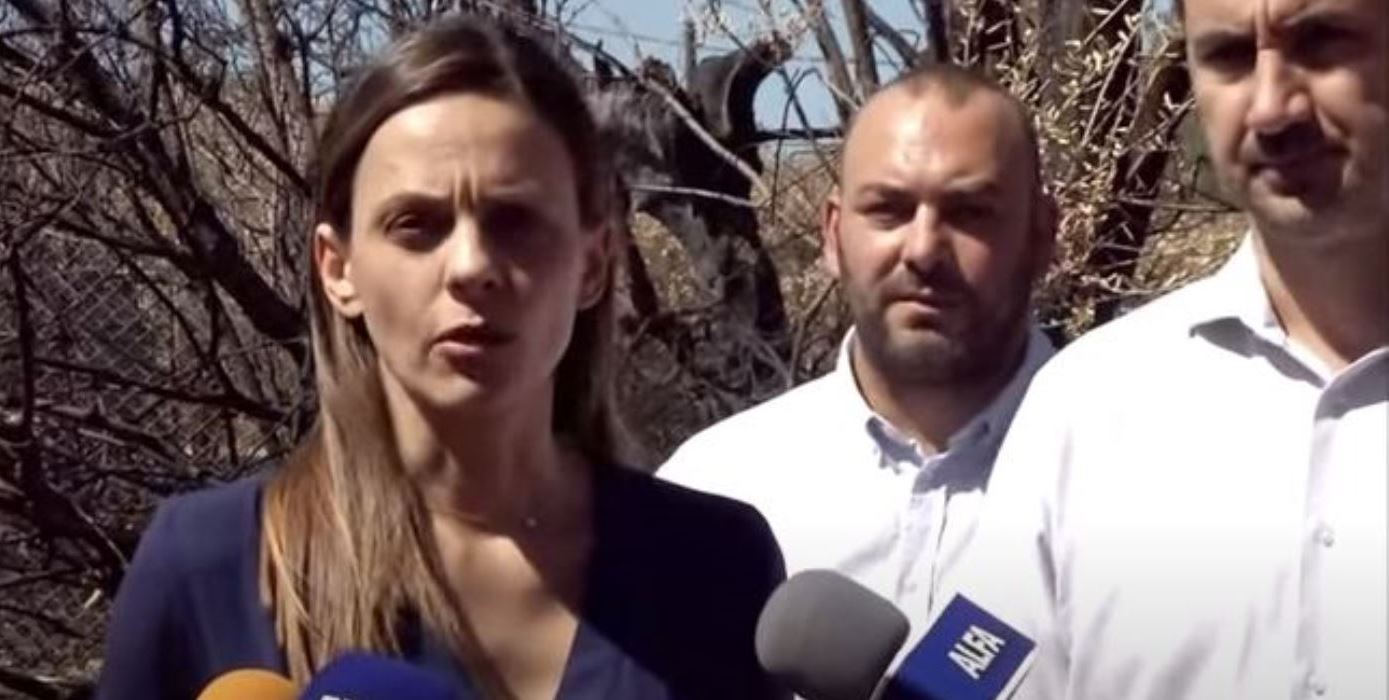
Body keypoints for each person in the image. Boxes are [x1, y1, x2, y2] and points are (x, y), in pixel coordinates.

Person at [96, 15, 786, 700]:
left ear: (594, 262)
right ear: (338, 268)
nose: (471, 266)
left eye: (515, 220)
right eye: (415, 225)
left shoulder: (714, 564)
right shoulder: (208, 567)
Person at [953, 0, 1388, 697]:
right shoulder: (1085, 406)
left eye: (1321, 41)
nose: (1271, 109)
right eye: (1228, 57)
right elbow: (960, 676)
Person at [660, 63, 1058, 653]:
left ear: (1042, 235)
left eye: (970, 212)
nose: (923, 250)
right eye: (888, 210)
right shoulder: (712, 493)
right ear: (833, 233)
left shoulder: (1137, 483)